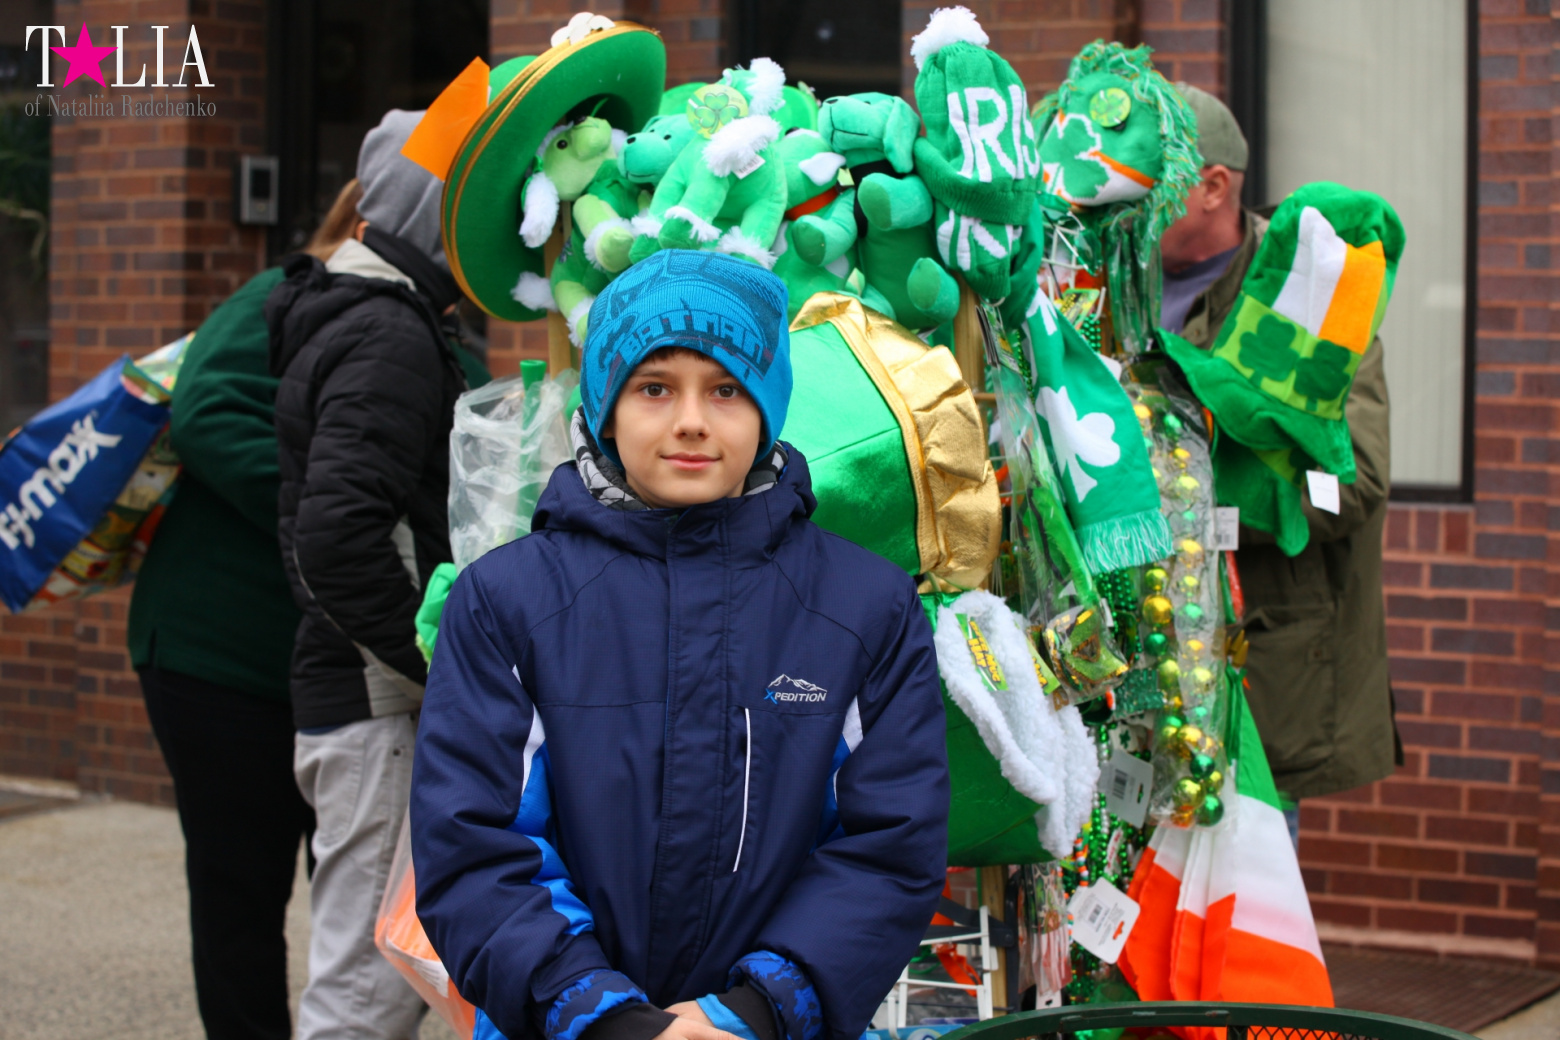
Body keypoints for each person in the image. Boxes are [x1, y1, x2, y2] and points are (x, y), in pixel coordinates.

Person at [410, 251, 950, 1040]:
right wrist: (601, 1014)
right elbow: (474, 845)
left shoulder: (864, 607)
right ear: (606, 405)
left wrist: (756, 1011)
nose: (692, 420)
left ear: (768, 406)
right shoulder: (508, 601)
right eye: (654, 387)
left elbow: (889, 845)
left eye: (727, 388)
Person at [125, 180, 361, 1040]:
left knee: (347, 903)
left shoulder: (419, 318)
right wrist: (340, 502)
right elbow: (206, 414)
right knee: (238, 900)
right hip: (215, 659)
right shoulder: (280, 292)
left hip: (318, 669)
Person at [266, 109, 475, 1040]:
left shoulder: (363, 314)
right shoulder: (388, 334)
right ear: (445, 215)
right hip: (374, 708)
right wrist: (437, 666)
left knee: (371, 974)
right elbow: (339, 538)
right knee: (365, 989)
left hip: (358, 701)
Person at [1161, 84, 1398, 843]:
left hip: (1258, 674)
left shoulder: (1314, 288)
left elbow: (1353, 482)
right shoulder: (1103, 284)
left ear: (1212, 186)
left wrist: (1203, 510)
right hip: (1134, 678)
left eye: (1152, 174)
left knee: (1251, 935)